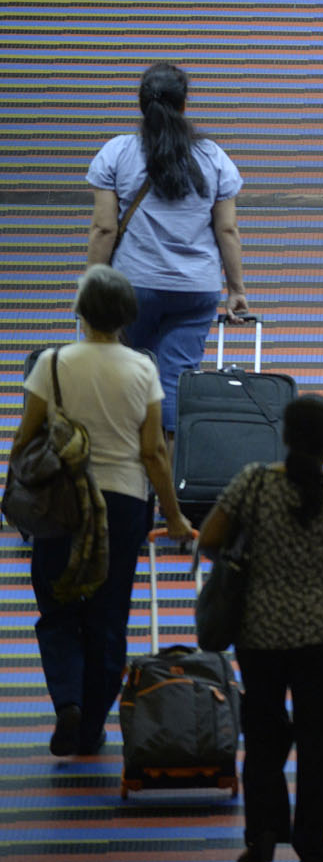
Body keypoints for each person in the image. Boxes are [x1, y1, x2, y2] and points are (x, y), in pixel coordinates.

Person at [196, 394, 323, 862]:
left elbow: (208, 539)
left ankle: (264, 833)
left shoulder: (252, 484)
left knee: (263, 736)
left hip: (259, 633)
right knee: (321, 741)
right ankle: (312, 837)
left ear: (284, 436)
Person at [14, 265, 194, 756]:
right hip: (123, 503)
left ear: (80, 311)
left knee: (56, 608)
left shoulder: (50, 364)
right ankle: (92, 724)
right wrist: (174, 515)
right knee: (108, 617)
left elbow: (26, 438)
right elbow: (154, 451)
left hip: (61, 501)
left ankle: (67, 703)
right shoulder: (143, 369)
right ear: (126, 317)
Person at [85, 61, 249, 433]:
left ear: (141, 104)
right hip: (196, 290)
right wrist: (236, 290)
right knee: (174, 381)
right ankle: (169, 479)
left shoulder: (117, 153)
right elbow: (227, 230)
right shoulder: (212, 157)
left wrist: (93, 289)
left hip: (132, 289)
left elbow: (104, 229)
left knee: (124, 374)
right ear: (184, 105)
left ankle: (125, 472)